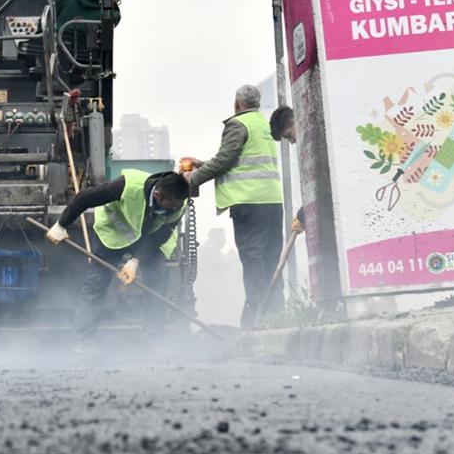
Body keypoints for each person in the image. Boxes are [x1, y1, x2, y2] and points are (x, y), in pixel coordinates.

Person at [46, 169, 191, 341]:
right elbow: (85, 198)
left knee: (157, 278)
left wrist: (135, 261)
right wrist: (61, 225)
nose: (175, 208)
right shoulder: (127, 186)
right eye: (172, 205)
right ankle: (83, 340)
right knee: (96, 284)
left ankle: (153, 339)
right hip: (113, 235)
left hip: (147, 241)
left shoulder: (178, 204)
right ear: (158, 195)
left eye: (177, 205)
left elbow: (161, 236)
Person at [185, 85, 284, 330]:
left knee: (253, 260)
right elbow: (240, 161)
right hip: (271, 201)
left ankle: (256, 318)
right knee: (272, 259)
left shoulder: (237, 125)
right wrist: (204, 163)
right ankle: (277, 315)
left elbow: (225, 160)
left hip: (248, 203)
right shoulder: (264, 125)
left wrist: (192, 179)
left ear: (237, 104)